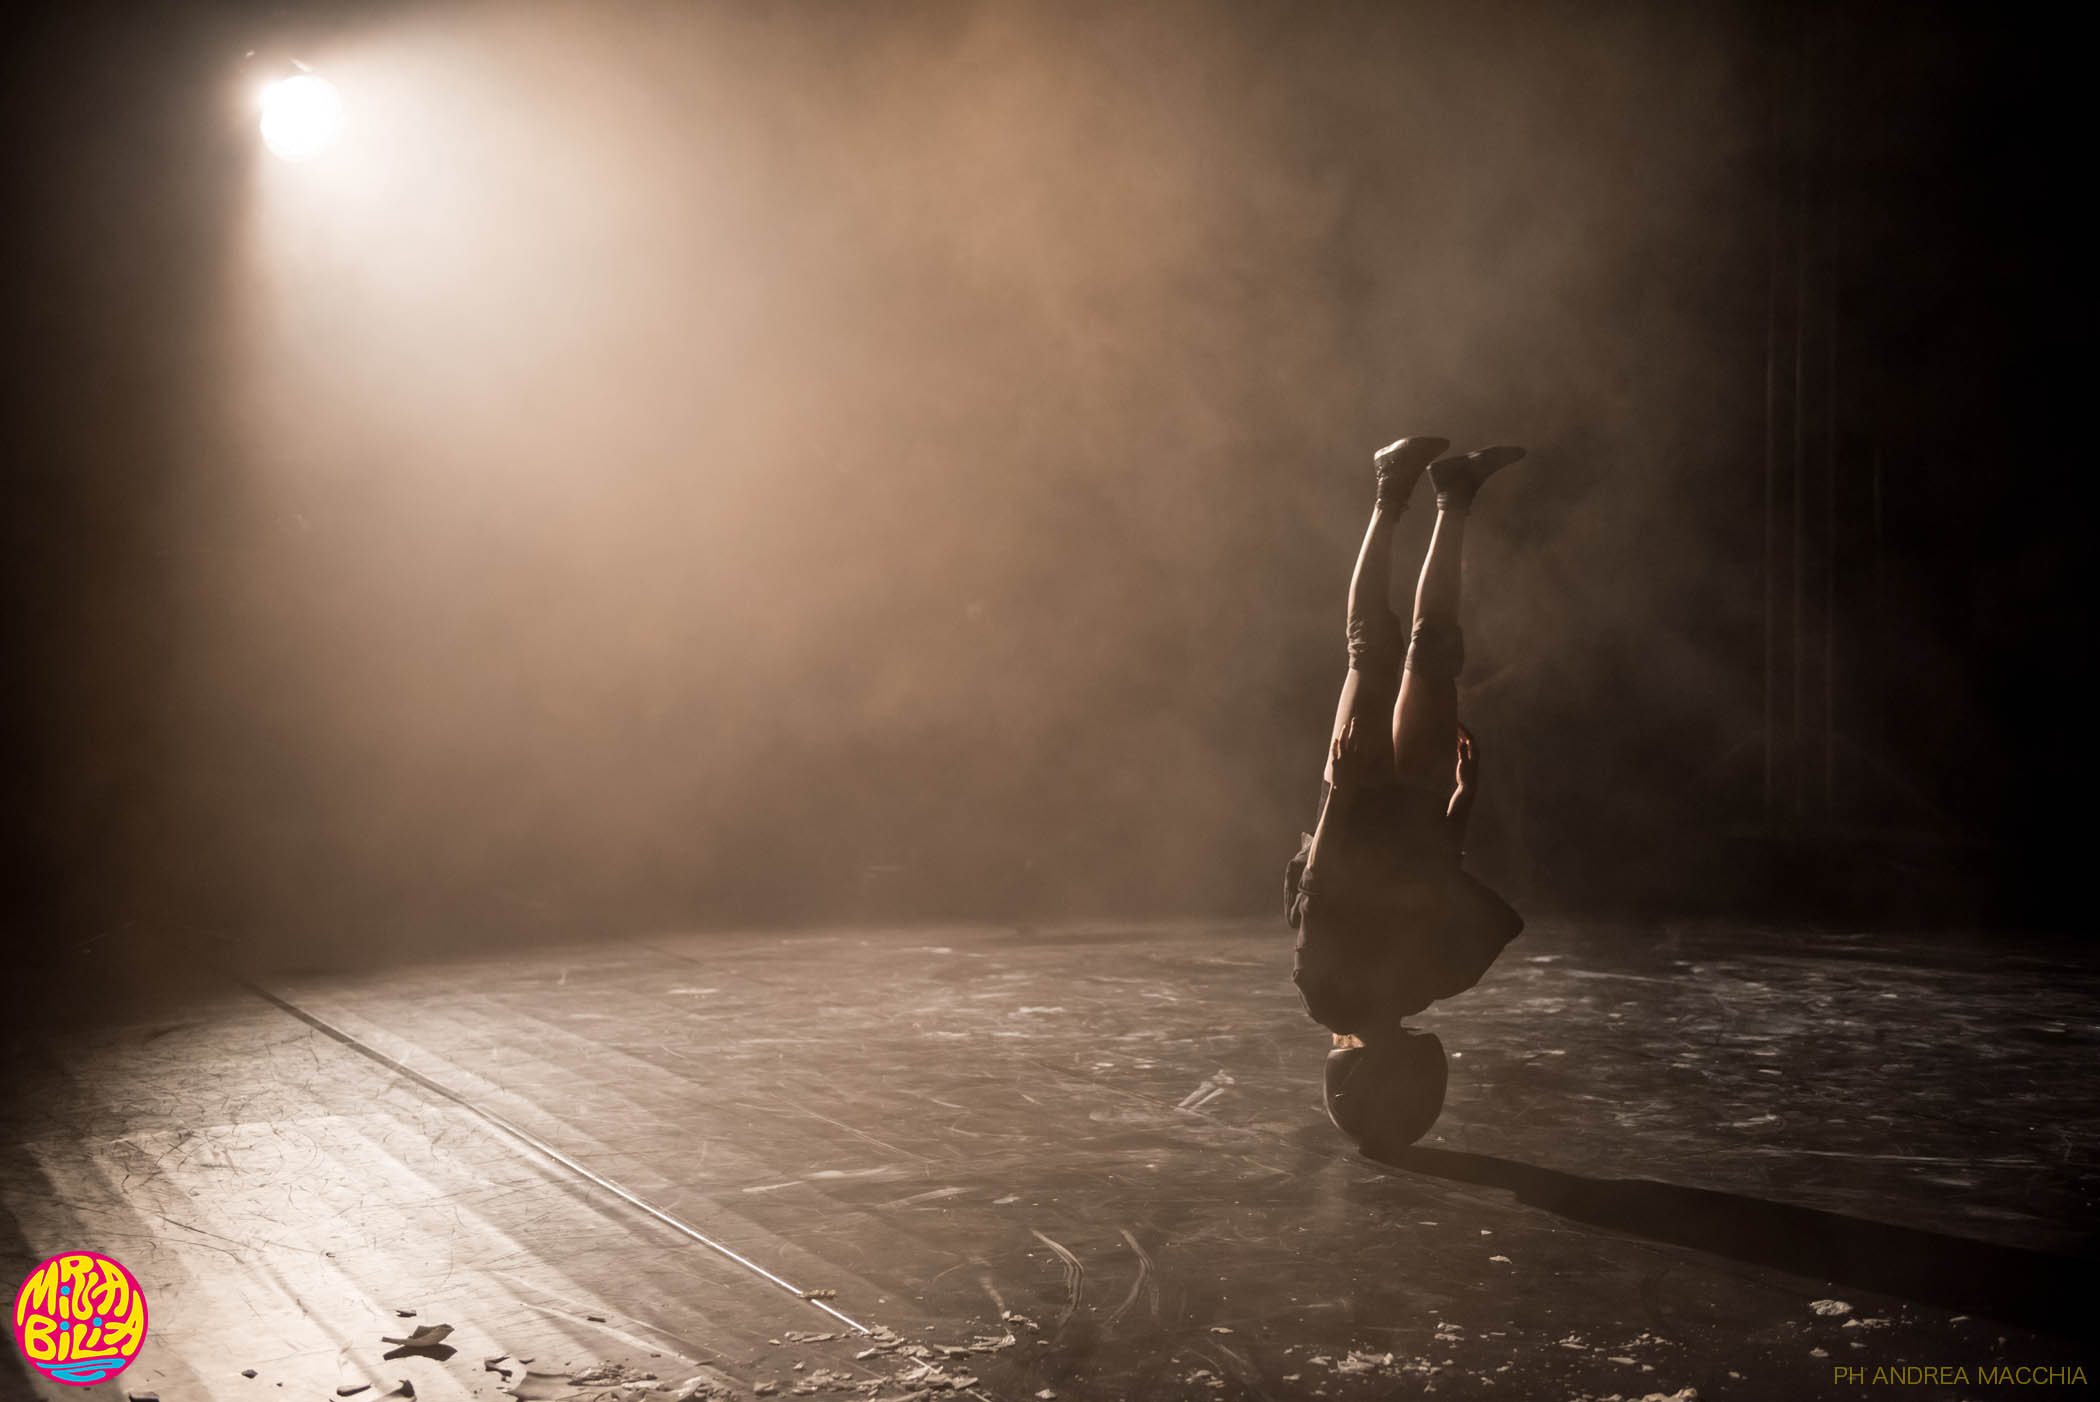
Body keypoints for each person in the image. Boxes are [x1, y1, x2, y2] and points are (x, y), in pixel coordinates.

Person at [1284, 434, 1526, 1154]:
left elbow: (1320, 891)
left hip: (1358, 813)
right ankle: (1455, 494)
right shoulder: (1422, 985)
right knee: (1435, 651)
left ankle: (1391, 488)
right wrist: (1461, 801)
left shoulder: (1328, 998)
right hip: (1414, 812)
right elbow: (1432, 880)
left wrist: (1340, 795)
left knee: (1374, 646)